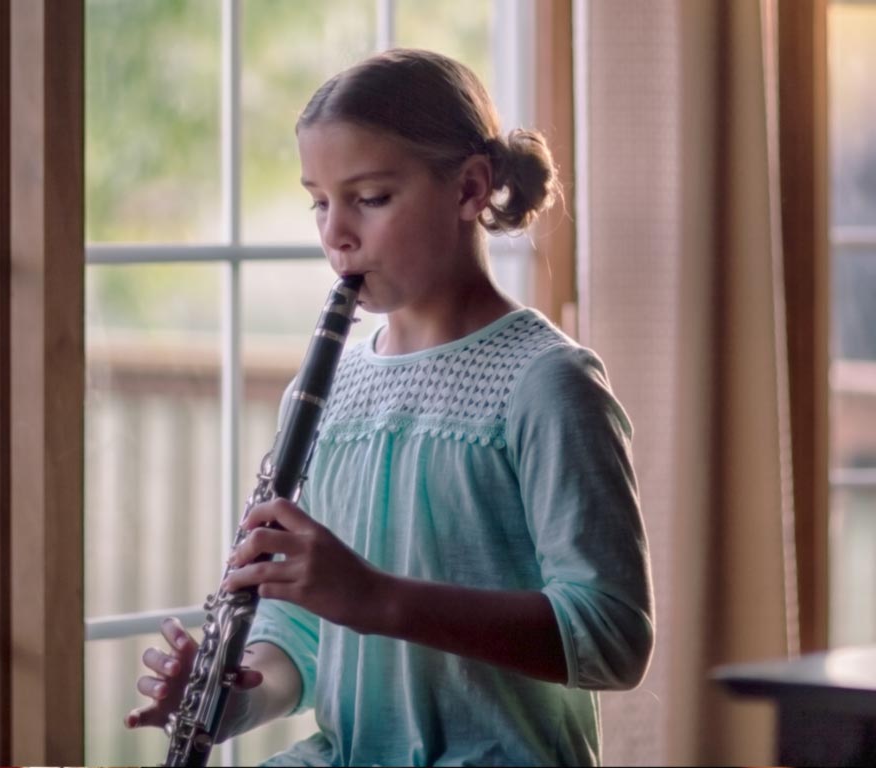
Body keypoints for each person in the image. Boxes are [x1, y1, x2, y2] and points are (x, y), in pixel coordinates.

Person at [126, 47, 654, 766]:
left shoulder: (546, 383)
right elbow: (304, 634)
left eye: (369, 198)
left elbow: (612, 637)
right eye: (319, 200)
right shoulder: (328, 391)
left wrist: (376, 598)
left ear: (469, 189)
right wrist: (232, 698)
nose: (334, 233)